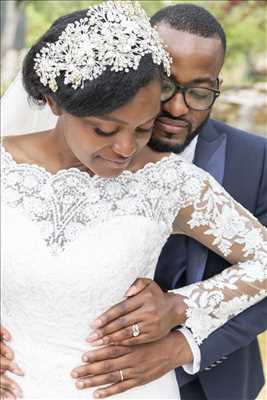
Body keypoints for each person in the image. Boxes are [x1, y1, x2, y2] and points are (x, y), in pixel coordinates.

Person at [0, 1, 266, 399]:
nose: (125, 147)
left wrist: (180, 307)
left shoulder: (170, 177)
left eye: (143, 129)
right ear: (55, 103)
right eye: (105, 129)